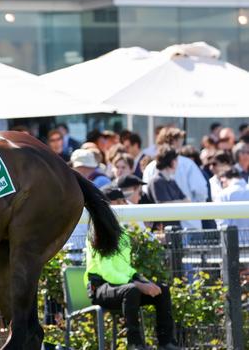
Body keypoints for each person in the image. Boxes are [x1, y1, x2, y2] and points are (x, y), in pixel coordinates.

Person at [85, 193, 179, 350]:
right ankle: (134, 344)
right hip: (100, 288)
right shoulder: (96, 232)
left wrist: (143, 281)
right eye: (117, 202)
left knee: (162, 290)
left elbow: (125, 267)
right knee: (132, 291)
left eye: (123, 202)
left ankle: (166, 343)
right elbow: (107, 271)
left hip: (122, 287)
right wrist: (137, 284)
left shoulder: (122, 235)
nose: (122, 206)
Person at [143, 127, 207, 229]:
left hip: (166, 228)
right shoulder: (188, 164)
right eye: (179, 141)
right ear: (173, 141)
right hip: (187, 223)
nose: (180, 145)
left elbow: (145, 194)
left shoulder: (150, 167)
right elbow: (201, 191)